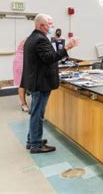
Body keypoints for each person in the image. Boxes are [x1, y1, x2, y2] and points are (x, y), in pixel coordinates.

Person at [21, 14, 79, 154]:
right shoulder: (39, 39)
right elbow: (49, 58)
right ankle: (36, 144)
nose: (52, 26)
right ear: (41, 25)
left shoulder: (33, 37)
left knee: (36, 112)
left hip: (37, 81)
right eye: (50, 24)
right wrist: (67, 48)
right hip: (41, 83)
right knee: (38, 114)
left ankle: (32, 140)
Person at [13, 39, 29, 112]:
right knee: (21, 84)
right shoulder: (28, 40)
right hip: (20, 62)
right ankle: (24, 104)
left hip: (25, 61)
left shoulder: (31, 39)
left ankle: (28, 91)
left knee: (26, 83)